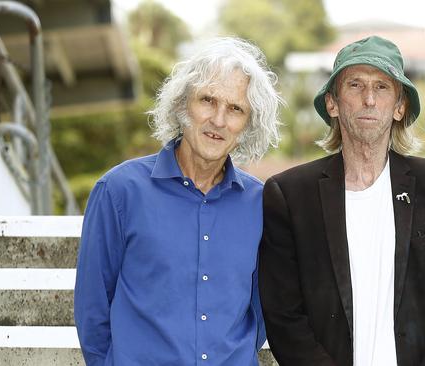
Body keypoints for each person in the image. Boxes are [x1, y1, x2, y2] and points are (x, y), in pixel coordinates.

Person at [259, 35, 425, 366]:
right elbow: (283, 318)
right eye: (355, 85)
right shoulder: (290, 196)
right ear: (333, 104)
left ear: (399, 106)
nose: (368, 98)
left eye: (382, 87)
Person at [74, 37, 282, 365]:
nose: (218, 120)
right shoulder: (119, 191)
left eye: (235, 109)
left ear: (247, 125)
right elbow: (93, 310)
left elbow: (262, 310)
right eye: (208, 100)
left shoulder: (261, 203)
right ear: (184, 104)